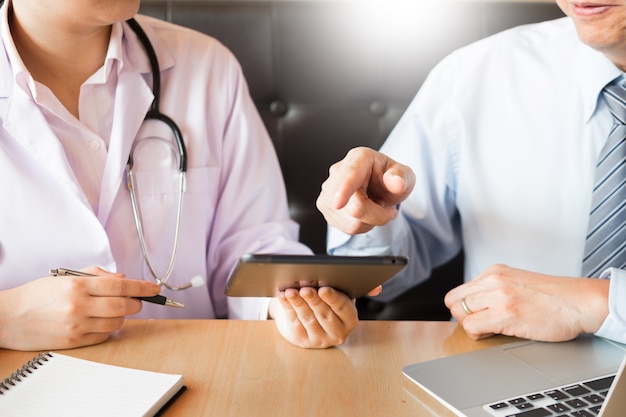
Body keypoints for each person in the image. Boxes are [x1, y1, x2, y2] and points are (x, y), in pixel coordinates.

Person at [0, 0, 368, 351]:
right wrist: (6, 319)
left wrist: (286, 305)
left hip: (193, 378)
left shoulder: (208, 67)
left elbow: (253, 242)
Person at [316, 0, 626, 344]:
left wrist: (597, 303)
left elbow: (590, 305)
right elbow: (381, 279)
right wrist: (372, 215)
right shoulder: (476, 75)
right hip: (509, 380)